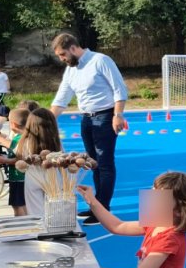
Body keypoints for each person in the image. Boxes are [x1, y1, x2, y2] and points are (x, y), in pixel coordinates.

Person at [50, 33, 129, 224]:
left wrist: (118, 115)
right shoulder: (71, 70)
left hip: (105, 117)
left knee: (105, 163)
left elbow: (119, 89)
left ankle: (103, 209)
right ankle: (97, 206)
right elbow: (62, 97)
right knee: (93, 164)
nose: (62, 59)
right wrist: (46, 120)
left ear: (73, 48)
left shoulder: (100, 60)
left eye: (63, 54)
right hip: (86, 119)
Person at [16, 108, 63, 217]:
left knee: (35, 214)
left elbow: (21, 158)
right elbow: (61, 159)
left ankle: (40, 227)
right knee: (56, 212)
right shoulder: (55, 141)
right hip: (52, 176)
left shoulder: (24, 142)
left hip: (33, 176)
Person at [0, 108, 29, 216]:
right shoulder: (24, 136)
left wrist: (4, 160)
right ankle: (28, 221)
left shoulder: (20, 139)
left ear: (13, 124)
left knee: (17, 205)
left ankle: (22, 223)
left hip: (18, 178)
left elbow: (21, 159)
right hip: (22, 178)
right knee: (23, 203)